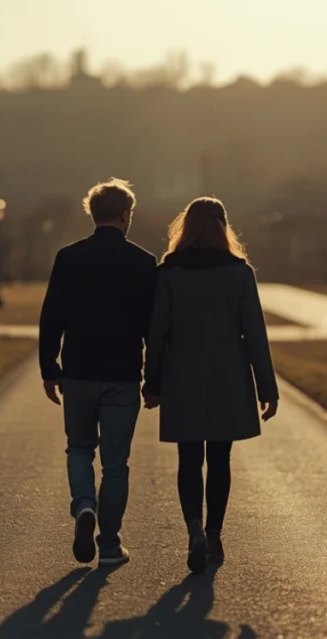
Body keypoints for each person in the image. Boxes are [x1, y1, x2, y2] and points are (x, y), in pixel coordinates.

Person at [142, 197, 279, 574]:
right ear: (223, 227)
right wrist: (267, 389)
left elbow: (157, 333)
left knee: (189, 457)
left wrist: (152, 383)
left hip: (182, 374)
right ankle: (214, 532)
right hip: (228, 375)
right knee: (220, 457)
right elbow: (255, 334)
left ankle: (193, 530)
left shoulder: (169, 273)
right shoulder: (239, 273)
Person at [39, 178, 158, 567]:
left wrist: (49, 368)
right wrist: (154, 380)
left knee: (79, 447)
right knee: (115, 463)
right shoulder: (143, 263)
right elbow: (153, 328)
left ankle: (84, 505)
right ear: (125, 216)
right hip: (122, 375)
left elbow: (51, 317)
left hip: (78, 372)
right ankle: (108, 544)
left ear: (93, 214)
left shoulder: (68, 258)